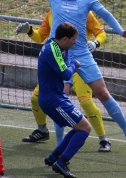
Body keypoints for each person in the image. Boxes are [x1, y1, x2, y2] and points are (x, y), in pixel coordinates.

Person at [11, 0, 126, 156]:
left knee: (103, 93)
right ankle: (59, 147)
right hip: (57, 55)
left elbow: (105, 14)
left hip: (81, 54)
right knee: (60, 98)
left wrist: (120, 30)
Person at [17, 0, 112, 152]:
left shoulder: (85, 13)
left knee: (86, 103)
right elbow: (41, 37)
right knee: (36, 98)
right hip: (61, 65)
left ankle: (103, 139)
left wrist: (96, 43)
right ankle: (42, 131)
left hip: (78, 66)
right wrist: (30, 31)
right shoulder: (52, 13)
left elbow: (102, 33)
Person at [38, 21, 90, 178]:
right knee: (85, 128)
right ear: (66, 38)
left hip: (55, 97)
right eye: (74, 39)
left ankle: (54, 157)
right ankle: (61, 163)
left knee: (79, 126)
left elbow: (65, 66)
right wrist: (75, 64)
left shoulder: (56, 46)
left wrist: (69, 63)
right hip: (53, 100)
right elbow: (67, 74)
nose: (75, 42)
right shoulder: (53, 51)